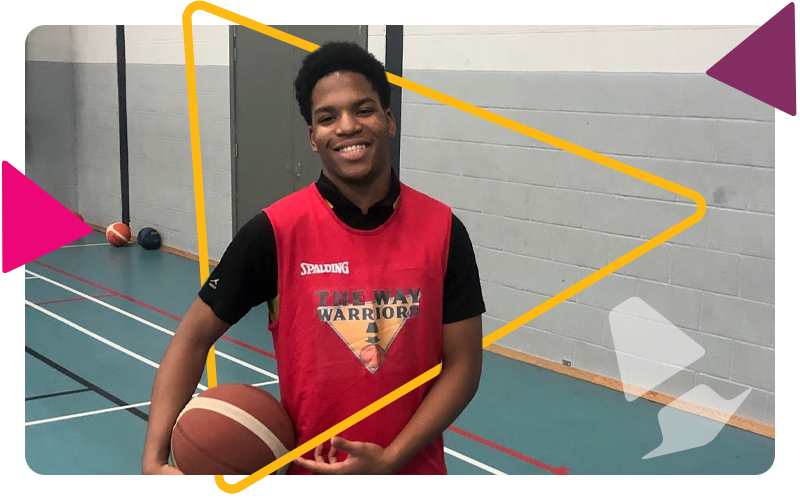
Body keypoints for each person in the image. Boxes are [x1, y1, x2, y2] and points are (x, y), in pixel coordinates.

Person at [142, 41, 485, 475]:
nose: (347, 127)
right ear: (313, 138)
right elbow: (190, 339)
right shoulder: (275, 232)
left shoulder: (443, 229)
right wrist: (153, 462)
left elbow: (464, 365)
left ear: (389, 121)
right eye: (328, 117)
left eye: (363, 110)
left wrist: (392, 458)